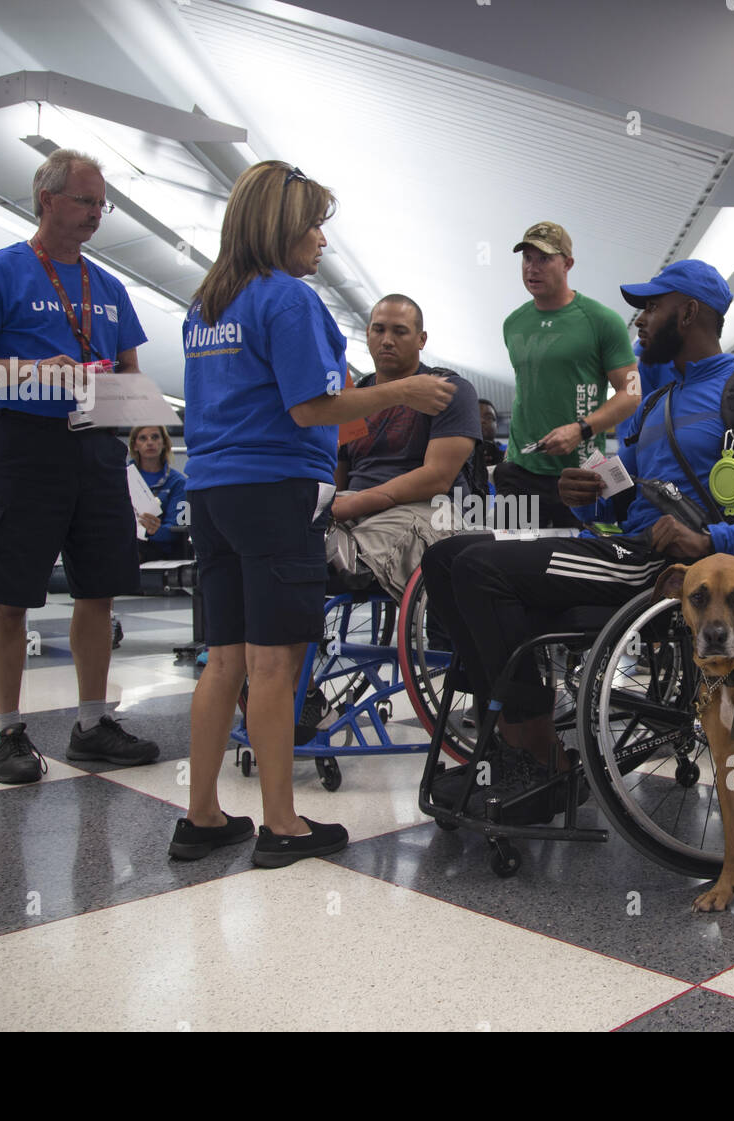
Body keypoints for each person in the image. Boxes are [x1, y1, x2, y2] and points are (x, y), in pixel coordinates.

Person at [422, 260, 734, 823]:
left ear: (688, 312)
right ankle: (509, 740)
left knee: (477, 567)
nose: (638, 320)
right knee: (444, 556)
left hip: (664, 568)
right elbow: (621, 493)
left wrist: (714, 537)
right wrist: (585, 495)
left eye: (652, 307)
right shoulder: (653, 403)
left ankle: (540, 758)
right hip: (626, 547)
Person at [173, 161, 456, 869]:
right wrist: (405, 393)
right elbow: (310, 409)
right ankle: (281, 823)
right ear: (279, 225)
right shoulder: (287, 300)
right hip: (274, 492)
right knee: (276, 662)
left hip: (210, 491)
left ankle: (202, 814)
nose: (322, 238)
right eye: (314, 222)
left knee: (224, 658)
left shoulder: (206, 304)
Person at [0, 147, 159, 784]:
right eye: (86, 201)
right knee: (9, 597)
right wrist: (31, 371)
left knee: (98, 588)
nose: (97, 213)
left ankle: (93, 724)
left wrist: (129, 400)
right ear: (48, 200)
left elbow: (129, 372)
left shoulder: (111, 286)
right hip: (24, 446)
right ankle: (8, 733)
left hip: (94, 451)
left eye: (102, 203)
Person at [328, 293, 480, 599]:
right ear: (367, 334)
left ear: (421, 340)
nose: (386, 340)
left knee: (357, 554)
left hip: (430, 507)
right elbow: (337, 472)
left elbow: (437, 478)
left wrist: (353, 505)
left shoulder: (449, 390)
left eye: (399, 331)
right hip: (354, 503)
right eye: (379, 329)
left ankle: (344, 559)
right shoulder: (354, 396)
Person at [495, 221, 640, 527]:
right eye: (527, 258)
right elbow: (530, 390)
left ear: (568, 263)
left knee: (566, 568)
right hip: (520, 469)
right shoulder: (513, 323)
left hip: (578, 475)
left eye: (544, 258)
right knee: (511, 565)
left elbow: (632, 392)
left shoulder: (602, 321)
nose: (532, 268)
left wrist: (582, 429)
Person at [127, 426, 188, 561]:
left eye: (155, 437)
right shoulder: (122, 479)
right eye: (143, 438)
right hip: (126, 546)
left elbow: (178, 529)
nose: (149, 442)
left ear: (164, 443)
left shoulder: (179, 483)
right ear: (135, 445)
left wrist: (156, 531)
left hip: (162, 552)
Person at [478, 399, 504, 468]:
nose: (482, 421)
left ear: (497, 425)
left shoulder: (509, 452)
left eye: (489, 417)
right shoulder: (458, 457)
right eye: (476, 417)